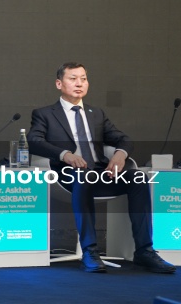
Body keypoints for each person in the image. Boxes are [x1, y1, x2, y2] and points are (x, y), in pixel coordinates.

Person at [28, 62, 175, 273]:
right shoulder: (45, 114)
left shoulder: (96, 113)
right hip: (66, 175)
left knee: (139, 178)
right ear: (59, 84)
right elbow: (34, 141)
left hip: (100, 173)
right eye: (73, 79)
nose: (79, 83)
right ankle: (90, 251)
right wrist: (65, 154)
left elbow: (123, 139)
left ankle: (145, 251)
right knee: (83, 176)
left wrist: (120, 155)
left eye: (83, 79)